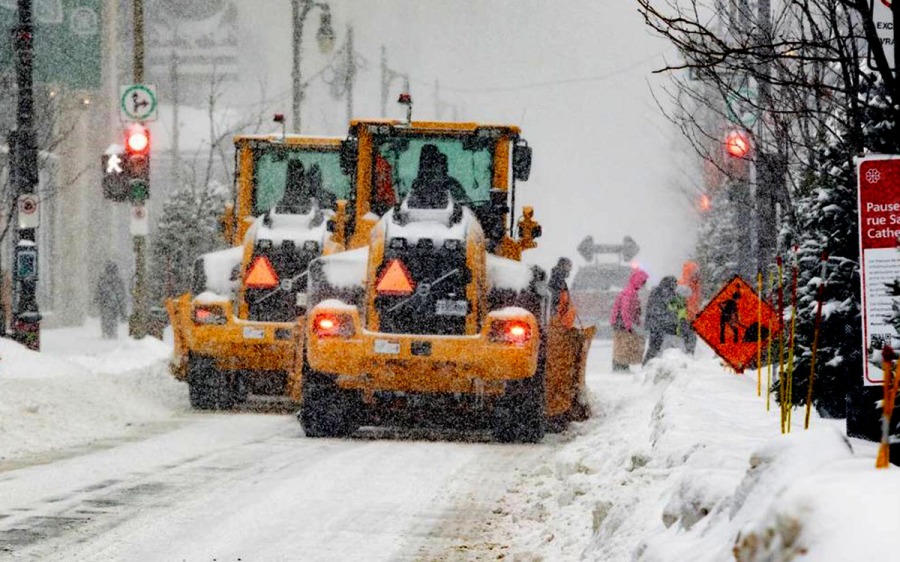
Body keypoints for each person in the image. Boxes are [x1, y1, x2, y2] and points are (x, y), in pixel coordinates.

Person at [609, 268, 648, 371]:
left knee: (622, 344)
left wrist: (636, 321)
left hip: (620, 322)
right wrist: (629, 326)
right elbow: (625, 311)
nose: (644, 285)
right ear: (638, 281)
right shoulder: (630, 293)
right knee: (624, 344)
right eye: (643, 282)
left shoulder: (630, 291)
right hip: (621, 322)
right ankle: (620, 366)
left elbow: (632, 311)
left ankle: (620, 365)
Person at [406, 144, 464, 209]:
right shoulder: (416, 184)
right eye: (427, 164)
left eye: (432, 164)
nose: (430, 169)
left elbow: (463, 204)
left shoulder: (451, 184)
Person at [642, 276, 680, 365]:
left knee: (654, 347)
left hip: (655, 324)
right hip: (659, 325)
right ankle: (647, 365)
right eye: (674, 284)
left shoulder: (657, 291)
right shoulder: (665, 293)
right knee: (656, 347)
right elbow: (664, 311)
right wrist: (672, 322)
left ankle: (648, 364)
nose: (676, 286)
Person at [95, 262, 126, 339]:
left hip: (105, 303)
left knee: (105, 318)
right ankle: (112, 332)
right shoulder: (119, 280)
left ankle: (106, 332)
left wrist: (97, 299)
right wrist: (122, 308)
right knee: (113, 318)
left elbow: (98, 291)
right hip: (114, 304)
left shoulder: (102, 279)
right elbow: (121, 294)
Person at [679, 261, 701, 354]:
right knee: (684, 340)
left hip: (693, 317)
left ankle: (690, 356)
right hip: (683, 317)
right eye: (694, 272)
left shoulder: (697, 286)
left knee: (692, 339)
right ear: (689, 272)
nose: (697, 274)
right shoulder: (681, 284)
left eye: (697, 272)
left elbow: (696, 302)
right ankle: (684, 356)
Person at [549, 257, 576, 328]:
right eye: (569, 266)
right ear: (562, 265)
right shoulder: (558, 279)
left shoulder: (559, 278)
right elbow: (558, 299)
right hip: (560, 316)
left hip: (560, 315)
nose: (570, 268)